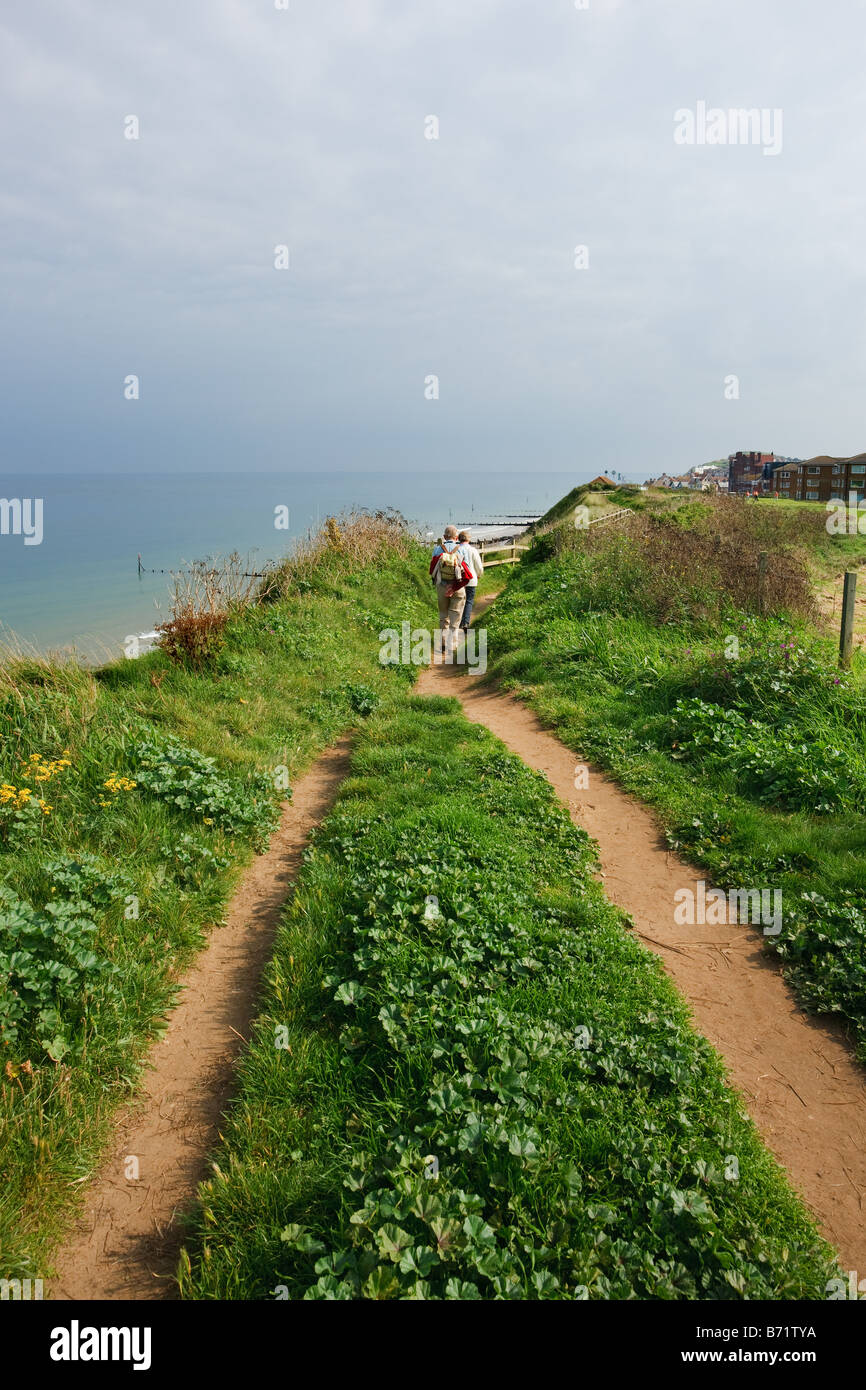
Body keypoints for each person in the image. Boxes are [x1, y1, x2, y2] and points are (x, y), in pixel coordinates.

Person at [429, 525, 472, 657]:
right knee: (456, 615)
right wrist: (454, 587)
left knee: (443, 615)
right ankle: (452, 644)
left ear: (444, 537)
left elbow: (432, 569)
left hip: (442, 587)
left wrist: (443, 584)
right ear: (456, 537)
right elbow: (467, 569)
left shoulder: (437, 549)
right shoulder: (462, 549)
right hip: (457, 587)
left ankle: (443, 642)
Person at [456, 529, 483, 633]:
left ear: (459, 539)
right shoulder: (473, 550)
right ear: (468, 539)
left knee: (459, 601)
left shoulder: (456, 549)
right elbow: (479, 566)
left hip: (459, 580)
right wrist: (479, 575)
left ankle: (457, 622)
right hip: (471, 579)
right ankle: (465, 622)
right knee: (469, 601)